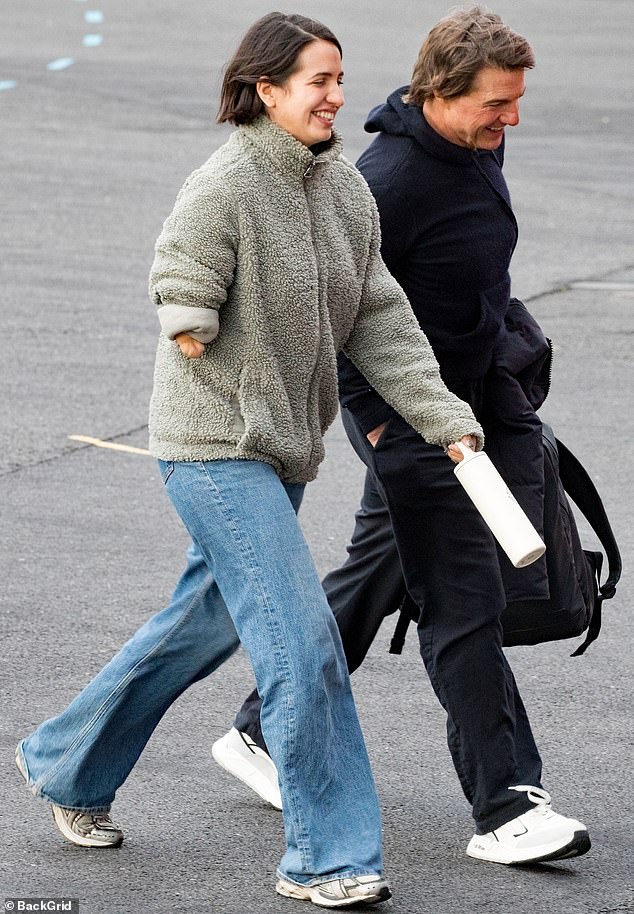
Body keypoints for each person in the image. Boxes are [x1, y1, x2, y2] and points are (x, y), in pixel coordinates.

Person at [14, 12, 485, 909]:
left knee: (205, 622)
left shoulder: (342, 190)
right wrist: (190, 320)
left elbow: (379, 318)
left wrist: (444, 419)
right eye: (318, 80)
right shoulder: (225, 182)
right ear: (266, 90)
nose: (336, 95)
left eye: (340, 78)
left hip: (280, 450)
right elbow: (181, 265)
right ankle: (329, 858)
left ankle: (67, 764)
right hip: (212, 447)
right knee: (301, 641)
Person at [211, 6, 592, 868]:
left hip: (473, 408)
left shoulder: (472, 147)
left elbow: (469, 274)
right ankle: (505, 807)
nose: (513, 120)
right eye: (498, 104)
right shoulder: (386, 180)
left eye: (517, 102)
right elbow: (338, 316)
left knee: (379, 574)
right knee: (464, 604)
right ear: (438, 93)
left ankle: (261, 731)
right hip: (413, 423)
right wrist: (383, 422)